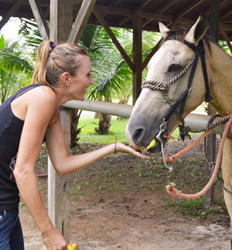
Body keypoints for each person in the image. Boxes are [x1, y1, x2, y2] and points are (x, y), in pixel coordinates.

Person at [0, 41, 149, 250]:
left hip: (7, 207)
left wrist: (113, 147)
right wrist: (49, 232)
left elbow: (62, 164)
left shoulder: (51, 106)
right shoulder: (42, 97)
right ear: (66, 79)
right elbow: (23, 172)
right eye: (87, 75)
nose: (91, 81)